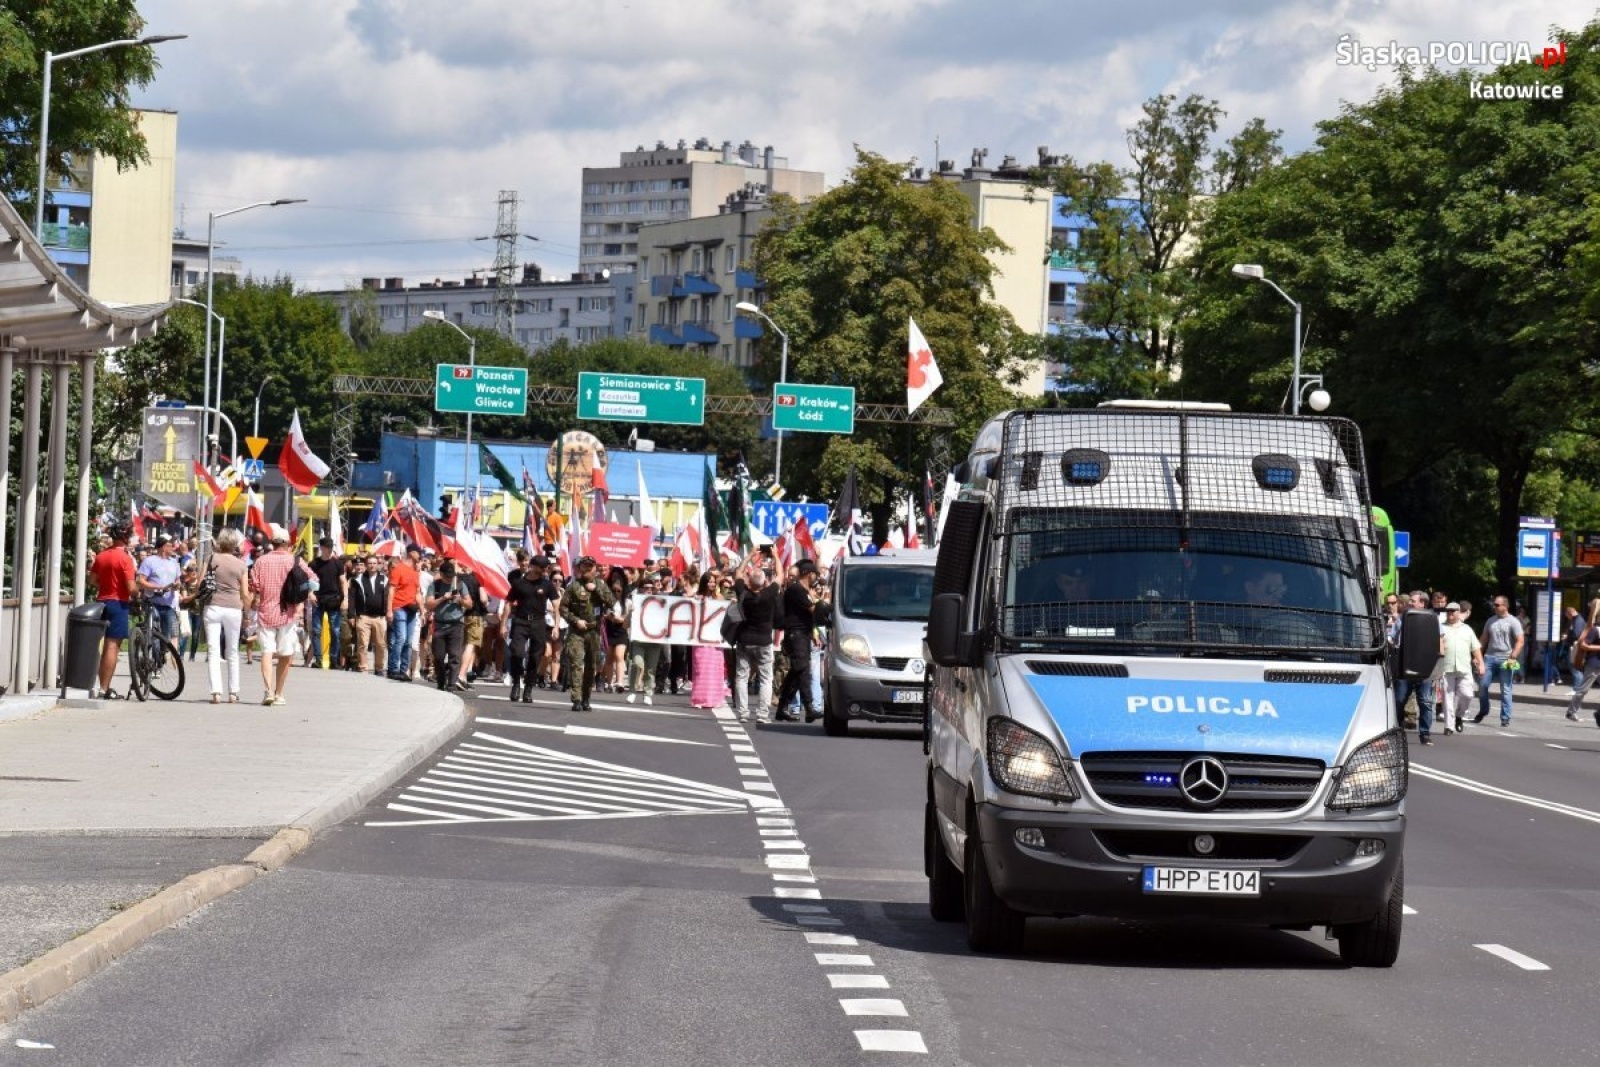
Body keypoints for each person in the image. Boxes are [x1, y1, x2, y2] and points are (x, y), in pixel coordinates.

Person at [250, 523, 313, 706]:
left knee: (267, 652)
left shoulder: (261, 561)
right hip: (288, 613)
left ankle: (268, 690)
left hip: (266, 612)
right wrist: (303, 598)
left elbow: (254, 586)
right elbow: (313, 580)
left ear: (273, 542)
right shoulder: (295, 561)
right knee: (286, 654)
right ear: (287, 543)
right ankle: (279, 693)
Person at [89, 522, 138, 699]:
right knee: (112, 646)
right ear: (126, 538)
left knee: (99, 645)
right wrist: (137, 593)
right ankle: (104, 688)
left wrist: (104, 587)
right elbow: (131, 588)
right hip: (118, 604)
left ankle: (100, 685)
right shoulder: (125, 558)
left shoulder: (102, 556)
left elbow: (92, 580)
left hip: (101, 602)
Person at [560, 556, 615, 711]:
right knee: (576, 663)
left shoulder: (601, 585)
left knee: (591, 666)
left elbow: (611, 602)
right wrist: (575, 620)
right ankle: (576, 699)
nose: (587, 569)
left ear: (595, 569)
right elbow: (563, 608)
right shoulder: (573, 586)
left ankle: (586, 698)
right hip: (577, 631)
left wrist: (596, 589)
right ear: (580, 568)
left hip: (594, 631)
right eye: (584, 566)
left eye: (590, 567)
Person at [730, 565, 780, 723]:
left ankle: (743, 713)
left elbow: (738, 573)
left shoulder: (743, 593)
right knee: (766, 678)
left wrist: (750, 556)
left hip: (745, 640)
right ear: (764, 582)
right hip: (764, 641)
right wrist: (775, 555)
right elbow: (780, 575)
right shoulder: (769, 594)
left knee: (742, 677)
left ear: (749, 582)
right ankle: (762, 714)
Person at [504, 554, 557, 703]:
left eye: (546, 568)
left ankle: (528, 688)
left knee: (535, 657)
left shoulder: (547, 584)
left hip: (538, 623)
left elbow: (556, 605)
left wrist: (556, 626)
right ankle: (516, 682)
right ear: (533, 567)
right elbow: (508, 603)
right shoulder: (519, 583)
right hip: (520, 621)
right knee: (517, 652)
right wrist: (503, 624)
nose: (545, 571)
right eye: (542, 568)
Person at [775, 559, 822, 723]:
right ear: (809, 574)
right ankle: (809, 708)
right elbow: (813, 609)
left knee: (796, 671)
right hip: (796, 635)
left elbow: (808, 615)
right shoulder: (796, 590)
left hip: (803, 634)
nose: (816, 577)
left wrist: (813, 633)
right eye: (814, 574)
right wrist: (827, 605)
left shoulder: (804, 590)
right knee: (802, 670)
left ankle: (782, 707)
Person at [1475, 595, 1525, 727]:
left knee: (1506, 689)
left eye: (1497, 605)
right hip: (1490, 657)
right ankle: (1484, 710)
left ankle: (1505, 717)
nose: (1494, 607)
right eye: (1494, 604)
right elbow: (1484, 639)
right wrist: (1477, 656)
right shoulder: (1490, 621)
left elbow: (1520, 641)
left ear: (1505, 606)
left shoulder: (1513, 621)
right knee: (1482, 685)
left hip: (1506, 658)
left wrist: (1514, 655)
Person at [1436, 603, 1482, 742]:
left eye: (1453, 611)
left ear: (1458, 612)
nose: (1450, 613)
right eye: (1448, 611)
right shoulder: (1441, 627)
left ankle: (1459, 715)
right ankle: (1449, 726)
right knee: (1447, 699)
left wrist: (1481, 663)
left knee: (1468, 695)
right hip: (1446, 668)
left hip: (1464, 668)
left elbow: (1475, 648)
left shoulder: (1467, 629)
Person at [426, 560, 471, 692]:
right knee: (438, 656)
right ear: (441, 574)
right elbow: (428, 604)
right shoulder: (435, 586)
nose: (449, 579)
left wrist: (460, 600)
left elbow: (470, 603)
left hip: (456, 624)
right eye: (446, 576)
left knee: (454, 656)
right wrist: (442, 598)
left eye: (451, 576)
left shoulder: (460, 584)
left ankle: (451, 683)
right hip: (440, 625)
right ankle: (441, 681)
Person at [308, 537, 348, 670]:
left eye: (331, 547)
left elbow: (343, 581)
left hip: (334, 600)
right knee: (316, 631)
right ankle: (318, 660)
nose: (329, 549)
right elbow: (308, 581)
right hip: (318, 600)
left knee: (335, 632)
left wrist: (345, 599)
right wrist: (310, 593)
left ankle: (333, 660)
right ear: (321, 548)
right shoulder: (314, 564)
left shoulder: (338, 564)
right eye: (327, 547)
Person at [690, 573, 728, 710]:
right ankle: (699, 699)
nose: (712, 584)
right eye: (709, 582)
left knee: (715, 669)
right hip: (700, 639)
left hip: (715, 639)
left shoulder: (719, 598)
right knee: (700, 668)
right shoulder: (696, 597)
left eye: (713, 582)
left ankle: (715, 699)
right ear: (704, 583)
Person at [136, 535, 184, 642]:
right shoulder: (149, 561)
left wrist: (177, 585)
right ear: (163, 547)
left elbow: (178, 580)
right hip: (152, 602)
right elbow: (140, 581)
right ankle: (150, 649)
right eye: (170, 546)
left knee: (166, 638)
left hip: (169, 605)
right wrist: (160, 587)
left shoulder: (174, 562)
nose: (173, 548)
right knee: (154, 635)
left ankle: (163, 652)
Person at [627, 573, 665, 705]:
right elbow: (626, 624)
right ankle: (632, 691)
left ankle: (648, 693)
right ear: (640, 589)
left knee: (650, 669)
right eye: (646, 587)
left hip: (654, 641)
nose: (649, 590)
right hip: (639, 640)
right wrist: (630, 613)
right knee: (637, 664)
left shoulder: (661, 602)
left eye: (651, 588)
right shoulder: (635, 603)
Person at [348, 555, 390, 675]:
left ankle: (379, 668)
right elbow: (352, 598)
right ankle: (363, 667)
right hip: (363, 616)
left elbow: (388, 597)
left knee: (381, 644)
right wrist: (351, 615)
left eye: (374, 563)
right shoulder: (358, 579)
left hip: (379, 617)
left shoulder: (384, 579)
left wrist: (388, 612)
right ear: (366, 565)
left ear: (378, 564)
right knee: (363, 644)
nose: (372, 566)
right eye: (370, 563)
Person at [385, 545, 421, 680]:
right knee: (401, 638)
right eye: (418, 553)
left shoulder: (415, 572)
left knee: (409, 641)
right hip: (399, 607)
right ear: (412, 553)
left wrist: (422, 609)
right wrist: (389, 610)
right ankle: (393, 669)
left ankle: (403, 670)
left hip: (411, 609)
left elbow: (417, 593)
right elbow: (391, 590)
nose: (420, 556)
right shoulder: (398, 569)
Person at [1565, 599, 1600, 725]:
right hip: (1594, 664)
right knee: (1583, 690)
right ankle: (1571, 712)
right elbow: (1583, 644)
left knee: (1582, 690)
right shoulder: (1595, 630)